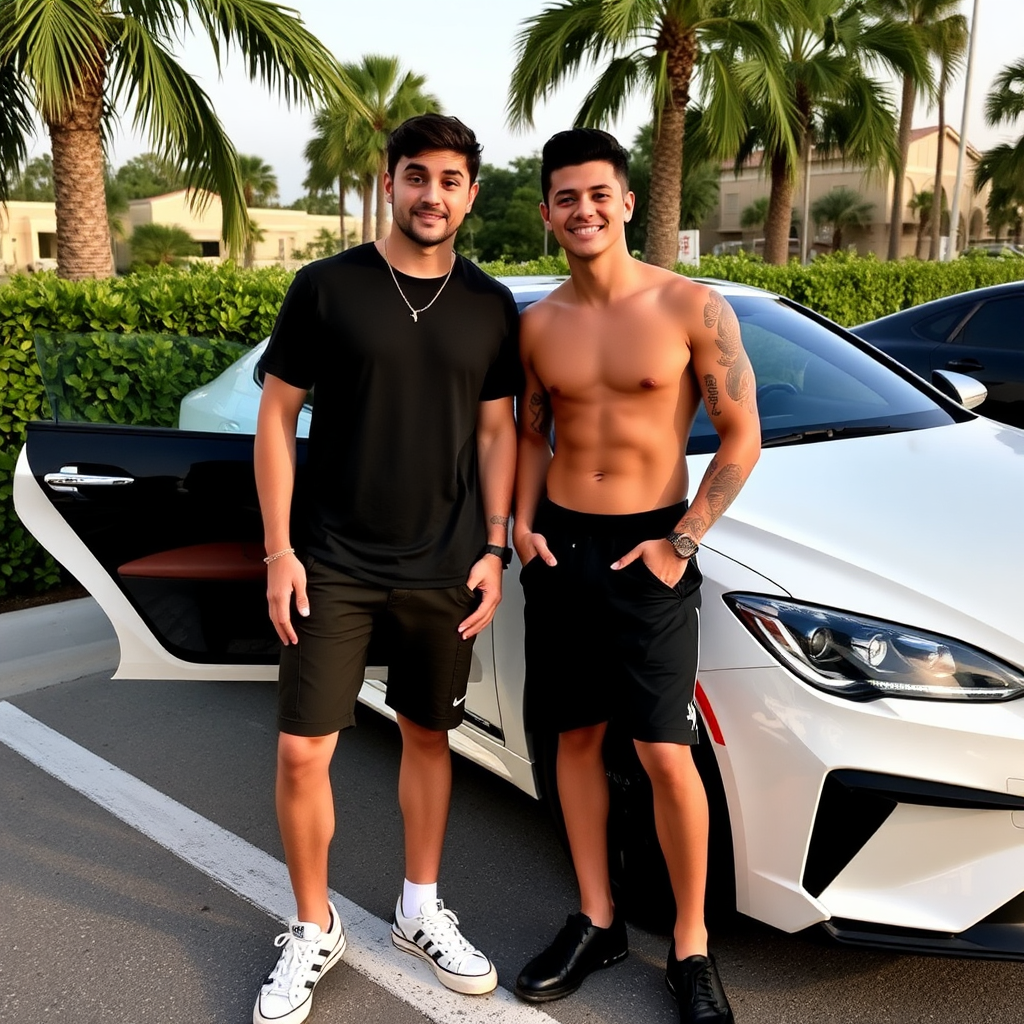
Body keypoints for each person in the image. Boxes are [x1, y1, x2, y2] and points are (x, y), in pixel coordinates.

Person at [251, 113, 520, 1024]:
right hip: (331, 561)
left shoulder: (490, 304)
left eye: (450, 180)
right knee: (301, 751)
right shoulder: (325, 288)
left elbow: (495, 433)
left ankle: (418, 907)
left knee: (426, 737)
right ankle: (313, 925)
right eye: (416, 176)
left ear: (471, 194)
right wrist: (280, 549)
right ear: (390, 182)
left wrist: (493, 546)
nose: (431, 195)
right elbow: (277, 419)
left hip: (445, 564)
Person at [512, 128, 761, 1024]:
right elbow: (531, 432)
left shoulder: (691, 308)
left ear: (626, 202)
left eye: (598, 194)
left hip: (654, 547)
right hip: (564, 549)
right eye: (566, 198)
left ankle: (689, 946)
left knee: (664, 750)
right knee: (573, 740)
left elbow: (742, 436)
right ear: (548, 214)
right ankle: (597, 917)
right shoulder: (537, 324)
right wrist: (519, 522)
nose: (583, 210)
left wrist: (681, 541)